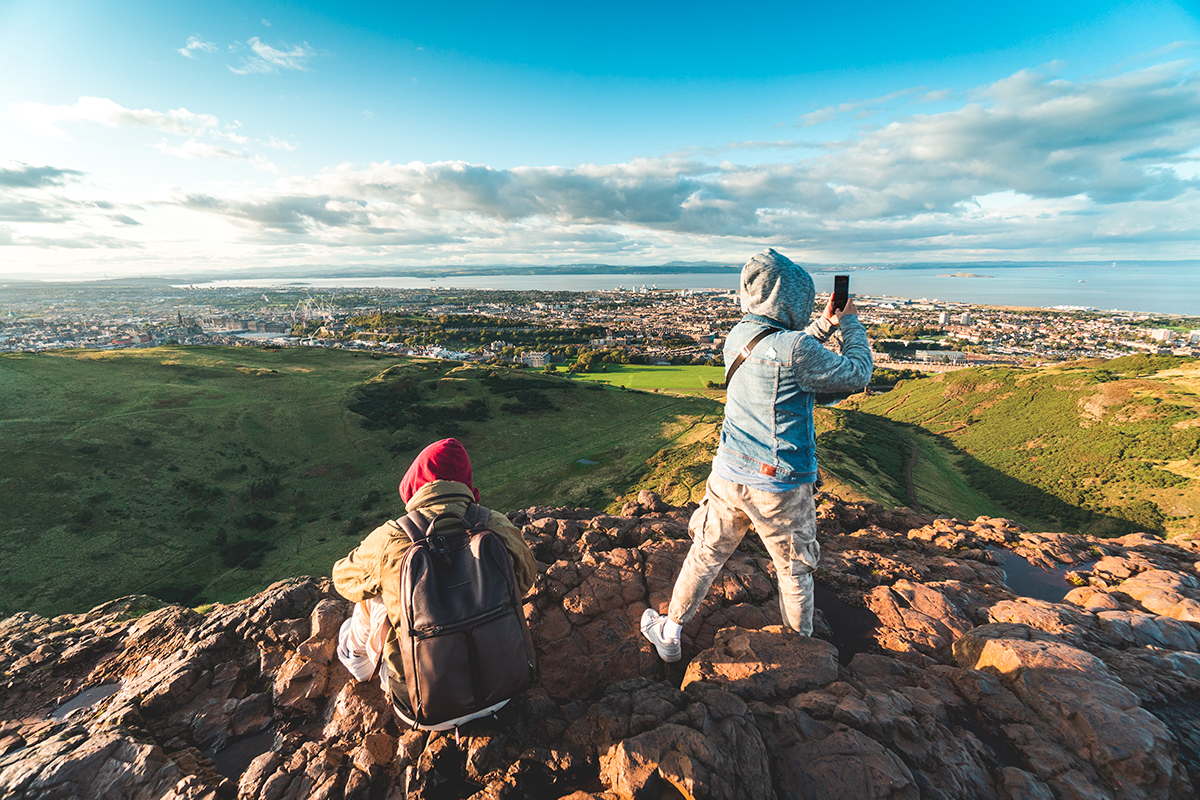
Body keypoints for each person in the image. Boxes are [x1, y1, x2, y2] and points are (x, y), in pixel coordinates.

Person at [641, 248, 873, 661]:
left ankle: (671, 630)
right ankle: (800, 651)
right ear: (793, 298)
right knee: (794, 570)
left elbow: (779, 350)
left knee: (706, 555)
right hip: (779, 481)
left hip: (728, 473)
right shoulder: (796, 349)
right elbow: (856, 373)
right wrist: (849, 322)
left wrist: (823, 325)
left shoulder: (736, 336)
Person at [333, 437, 536, 703]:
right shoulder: (495, 522)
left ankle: (358, 662)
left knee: (375, 595)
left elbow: (343, 580)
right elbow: (526, 578)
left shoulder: (392, 536)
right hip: (505, 685)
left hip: (423, 702)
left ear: (415, 483)